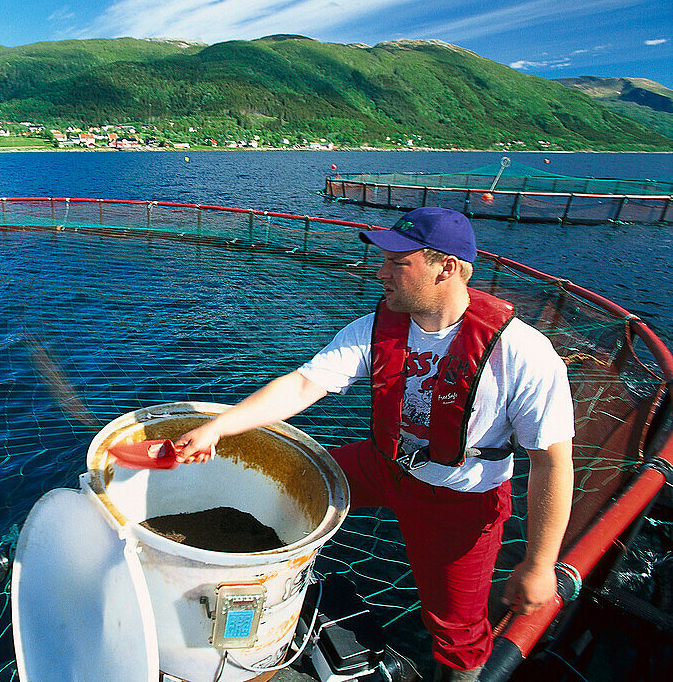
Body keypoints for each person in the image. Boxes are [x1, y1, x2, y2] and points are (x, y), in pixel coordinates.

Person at [174, 207, 574, 682]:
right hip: (381, 464)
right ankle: (255, 588)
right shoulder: (376, 328)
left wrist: (539, 564)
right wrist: (220, 426)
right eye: (383, 259)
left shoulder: (523, 355)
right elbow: (303, 385)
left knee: (456, 628)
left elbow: (552, 463)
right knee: (286, 482)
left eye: (398, 262)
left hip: (460, 499)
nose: (380, 272)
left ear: (444, 267)